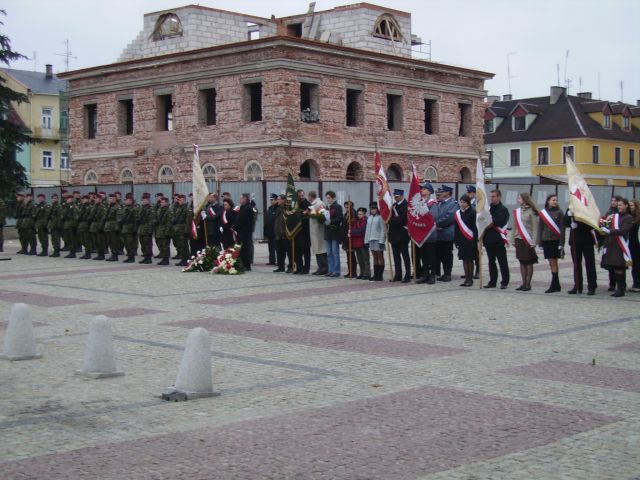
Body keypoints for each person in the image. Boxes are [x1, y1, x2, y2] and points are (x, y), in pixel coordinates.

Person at [601, 198, 633, 297]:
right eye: (618, 205)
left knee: (619, 267)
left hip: (620, 244)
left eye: (621, 205)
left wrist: (610, 231)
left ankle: (621, 289)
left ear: (626, 206)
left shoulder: (628, 217)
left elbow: (624, 230)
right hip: (612, 244)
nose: (619, 207)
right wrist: (603, 224)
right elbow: (608, 224)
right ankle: (619, 288)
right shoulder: (615, 216)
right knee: (615, 267)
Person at [564, 209, 598, 295]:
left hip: (587, 239)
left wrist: (580, 224)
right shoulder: (571, 208)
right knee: (576, 264)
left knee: (590, 264)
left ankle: (592, 286)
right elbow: (565, 223)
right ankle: (578, 285)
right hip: (575, 240)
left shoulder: (587, 207)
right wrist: (568, 217)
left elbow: (592, 222)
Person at [538, 194, 565, 293]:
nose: (555, 202)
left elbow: (562, 228)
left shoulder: (560, 212)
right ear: (548, 201)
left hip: (555, 240)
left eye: (556, 200)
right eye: (553, 200)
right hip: (546, 240)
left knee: (554, 262)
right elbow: (540, 228)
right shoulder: (543, 213)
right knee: (550, 262)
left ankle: (554, 284)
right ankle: (556, 284)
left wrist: (561, 243)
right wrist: (540, 243)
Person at [512, 192, 539, 291]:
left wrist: (534, 241)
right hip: (519, 239)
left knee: (528, 261)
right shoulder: (517, 211)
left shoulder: (531, 212)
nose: (518, 200)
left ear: (524, 199)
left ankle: (528, 284)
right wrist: (512, 239)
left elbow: (535, 228)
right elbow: (514, 226)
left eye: (519, 198)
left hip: (528, 239)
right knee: (521, 261)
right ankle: (523, 283)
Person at [484, 189, 510, 289]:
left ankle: (504, 281)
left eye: (494, 196)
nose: (492, 198)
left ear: (499, 197)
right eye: (491, 196)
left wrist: (489, 220)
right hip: (488, 239)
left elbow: (500, 222)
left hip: (498, 240)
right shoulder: (488, 209)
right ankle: (492, 281)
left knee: (502, 261)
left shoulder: (503, 209)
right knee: (491, 261)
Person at [434, 185, 458, 282]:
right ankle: (441, 273)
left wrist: (437, 223)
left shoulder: (454, 203)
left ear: (448, 193)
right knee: (439, 255)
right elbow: (435, 215)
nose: (441, 193)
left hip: (447, 233)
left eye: (443, 191)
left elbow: (450, 217)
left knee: (447, 255)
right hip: (438, 234)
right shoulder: (440, 203)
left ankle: (447, 273)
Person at [415, 182, 438, 285]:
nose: (422, 190)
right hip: (421, 234)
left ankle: (432, 275)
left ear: (429, 191)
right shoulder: (421, 202)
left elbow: (433, 217)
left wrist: (423, 221)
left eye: (424, 189)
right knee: (423, 255)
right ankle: (425, 275)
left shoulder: (432, 203)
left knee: (431, 256)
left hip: (430, 233)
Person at [454, 194, 477, 287]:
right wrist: (456, 240)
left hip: (470, 239)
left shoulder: (472, 212)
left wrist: (474, 240)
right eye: (461, 202)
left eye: (464, 202)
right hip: (462, 239)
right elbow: (457, 228)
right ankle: (466, 278)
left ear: (468, 203)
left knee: (470, 259)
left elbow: (475, 227)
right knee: (464, 259)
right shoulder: (458, 213)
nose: (462, 204)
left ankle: (470, 279)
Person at [388, 189, 411, 283]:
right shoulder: (393, 206)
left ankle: (407, 275)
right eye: (395, 196)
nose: (396, 198)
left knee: (405, 256)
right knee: (396, 256)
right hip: (394, 235)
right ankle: (398, 274)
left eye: (397, 196)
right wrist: (393, 220)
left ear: (402, 196)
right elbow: (388, 219)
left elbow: (402, 220)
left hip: (402, 235)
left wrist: (393, 220)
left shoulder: (406, 205)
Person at [601, 195, 623, 291]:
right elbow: (604, 222)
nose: (613, 202)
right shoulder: (609, 212)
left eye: (615, 201)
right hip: (609, 240)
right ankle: (612, 283)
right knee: (610, 263)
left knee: (618, 264)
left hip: (618, 240)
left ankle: (621, 284)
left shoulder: (621, 214)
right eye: (612, 201)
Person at [307, 191, 328, 275]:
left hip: (319, 231)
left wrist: (312, 213)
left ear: (310, 196)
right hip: (314, 231)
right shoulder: (313, 204)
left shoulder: (319, 204)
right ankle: (320, 267)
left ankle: (324, 267)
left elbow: (323, 217)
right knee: (317, 249)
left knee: (321, 249)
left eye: (308, 197)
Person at [365, 202, 386, 281]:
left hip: (378, 239)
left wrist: (382, 241)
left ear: (377, 209)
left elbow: (383, 230)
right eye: (371, 209)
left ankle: (380, 275)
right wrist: (366, 240)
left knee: (380, 256)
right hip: (371, 239)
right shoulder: (369, 218)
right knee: (374, 257)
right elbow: (367, 230)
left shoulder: (380, 217)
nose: (373, 210)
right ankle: (375, 274)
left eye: (374, 209)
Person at [234, 193, 255, 271]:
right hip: (240, 231)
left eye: (241, 198)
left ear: (245, 199)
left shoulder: (248, 208)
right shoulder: (242, 207)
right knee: (241, 249)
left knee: (246, 248)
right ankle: (242, 263)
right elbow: (238, 218)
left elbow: (243, 220)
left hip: (245, 232)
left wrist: (236, 226)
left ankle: (247, 265)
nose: (240, 200)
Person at [324, 191, 343, 278]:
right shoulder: (326, 207)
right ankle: (330, 270)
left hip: (335, 232)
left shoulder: (337, 206)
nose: (328, 199)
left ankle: (336, 271)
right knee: (329, 253)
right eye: (327, 198)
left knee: (335, 252)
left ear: (333, 198)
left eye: (329, 198)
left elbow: (340, 218)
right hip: (328, 232)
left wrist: (331, 221)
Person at [350, 207, 370, 279]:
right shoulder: (357, 221)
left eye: (361, 214)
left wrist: (352, 232)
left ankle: (367, 274)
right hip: (357, 242)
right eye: (358, 214)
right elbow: (354, 228)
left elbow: (361, 231)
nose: (359, 215)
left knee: (365, 259)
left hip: (363, 242)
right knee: (360, 260)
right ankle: (362, 273)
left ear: (364, 214)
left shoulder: (365, 221)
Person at [294, 189, 311, 274]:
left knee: (306, 251)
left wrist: (302, 215)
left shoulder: (307, 204)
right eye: (299, 196)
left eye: (302, 195)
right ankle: (299, 268)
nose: (301, 197)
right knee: (297, 251)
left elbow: (308, 216)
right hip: (297, 231)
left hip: (305, 231)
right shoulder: (295, 204)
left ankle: (306, 268)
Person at [273, 194, 292, 272]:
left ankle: (290, 267)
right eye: (277, 199)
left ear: (283, 200)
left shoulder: (286, 208)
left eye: (279, 199)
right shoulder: (278, 208)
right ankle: (281, 266)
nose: (277, 200)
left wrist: (284, 232)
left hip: (285, 234)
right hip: (278, 234)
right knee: (279, 252)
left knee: (288, 252)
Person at [172, 194, 190, 267]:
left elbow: (188, 221)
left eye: (181, 200)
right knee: (180, 245)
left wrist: (186, 231)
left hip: (183, 229)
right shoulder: (178, 208)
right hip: (178, 229)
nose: (180, 201)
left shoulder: (186, 208)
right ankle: (183, 259)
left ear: (185, 200)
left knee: (184, 246)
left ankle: (186, 260)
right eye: (179, 200)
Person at [120, 194, 138, 263]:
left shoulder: (134, 209)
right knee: (126, 243)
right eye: (125, 200)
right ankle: (129, 256)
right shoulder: (125, 208)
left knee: (130, 243)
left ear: (131, 201)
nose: (125, 201)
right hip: (125, 228)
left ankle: (132, 257)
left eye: (126, 200)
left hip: (130, 228)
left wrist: (135, 230)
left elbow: (136, 220)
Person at [137, 193, 155, 264]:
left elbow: (151, 220)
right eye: (142, 200)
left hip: (147, 229)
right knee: (143, 244)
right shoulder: (141, 208)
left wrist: (150, 230)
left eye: (145, 200)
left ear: (148, 201)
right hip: (141, 228)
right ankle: (145, 257)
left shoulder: (150, 209)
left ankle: (148, 258)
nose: (143, 202)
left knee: (148, 244)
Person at [341, 200, 357, 278]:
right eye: (346, 207)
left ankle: (353, 272)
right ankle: (349, 271)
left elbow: (353, 224)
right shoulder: (345, 214)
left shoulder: (353, 214)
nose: (347, 208)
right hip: (345, 237)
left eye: (348, 207)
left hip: (351, 237)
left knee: (352, 256)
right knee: (348, 255)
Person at [155, 197, 172, 265]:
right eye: (161, 202)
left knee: (165, 246)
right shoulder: (159, 210)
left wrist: (167, 232)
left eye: (163, 202)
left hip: (165, 230)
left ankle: (166, 259)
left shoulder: (169, 210)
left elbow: (169, 222)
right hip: (159, 229)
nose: (161, 203)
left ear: (167, 203)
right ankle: (163, 258)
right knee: (161, 245)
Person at [103, 194, 121, 262]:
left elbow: (118, 218)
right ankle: (113, 254)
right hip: (108, 226)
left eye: (112, 199)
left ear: (115, 199)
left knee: (114, 242)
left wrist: (117, 228)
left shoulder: (117, 207)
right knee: (110, 241)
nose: (110, 200)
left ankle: (115, 255)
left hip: (113, 227)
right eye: (110, 198)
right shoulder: (108, 206)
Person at [90, 194, 107, 261]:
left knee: (100, 241)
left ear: (100, 200)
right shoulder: (94, 206)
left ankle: (101, 255)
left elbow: (103, 218)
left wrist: (101, 227)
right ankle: (98, 254)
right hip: (94, 226)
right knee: (95, 241)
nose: (95, 200)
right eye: (95, 198)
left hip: (99, 226)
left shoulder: (102, 207)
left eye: (97, 199)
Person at [61, 194, 79, 259]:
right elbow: (62, 214)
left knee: (72, 239)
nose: (68, 200)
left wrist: (73, 224)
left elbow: (76, 216)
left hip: (71, 225)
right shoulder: (66, 206)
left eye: (70, 199)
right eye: (68, 199)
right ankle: (71, 252)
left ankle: (72, 253)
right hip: (66, 225)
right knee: (67, 239)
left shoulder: (74, 207)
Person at [76, 195, 93, 259]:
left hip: (86, 225)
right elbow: (79, 215)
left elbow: (90, 216)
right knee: (82, 240)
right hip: (81, 225)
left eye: (84, 199)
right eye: (83, 199)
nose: (83, 200)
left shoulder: (90, 207)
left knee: (86, 240)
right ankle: (86, 252)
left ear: (88, 200)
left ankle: (88, 253)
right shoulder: (82, 206)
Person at [264, 193, 278, 265]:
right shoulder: (270, 208)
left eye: (272, 200)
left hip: (275, 231)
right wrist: (265, 231)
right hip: (270, 231)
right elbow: (267, 220)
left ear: (276, 200)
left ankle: (279, 261)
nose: (271, 201)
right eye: (271, 200)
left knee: (277, 248)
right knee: (271, 247)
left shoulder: (277, 208)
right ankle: (271, 260)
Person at [629, 199, 640, 292]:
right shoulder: (629, 216)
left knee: (637, 264)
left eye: (632, 205)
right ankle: (635, 282)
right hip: (631, 243)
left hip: (637, 243)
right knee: (634, 264)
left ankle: (637, 283)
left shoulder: (638, 218)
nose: (630, 207)